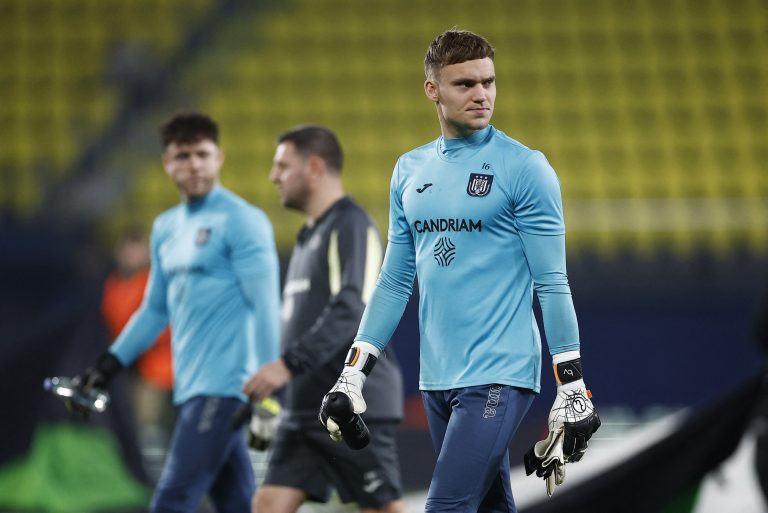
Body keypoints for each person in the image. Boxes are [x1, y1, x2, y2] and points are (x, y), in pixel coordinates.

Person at [318, 29, 601, 512]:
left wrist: (572, 383)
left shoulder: (525, 169)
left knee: (446, 505)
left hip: (500, 372)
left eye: (488, 82)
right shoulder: (409, 170)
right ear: (433, 90)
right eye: (465, 84)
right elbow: (393, 280)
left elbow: (552, 282)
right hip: (438, 376)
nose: (481, 94)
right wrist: (352, 374)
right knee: (489, 506)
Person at [71, 112, 281, 513]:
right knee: (234, 502)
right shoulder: (166, 228)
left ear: (219, 157)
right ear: (167, 163)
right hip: (189, 387)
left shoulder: (243, 221)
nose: (194, 164)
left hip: (226, 388)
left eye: (202, 154)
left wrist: (267, 383)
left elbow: (265, 303)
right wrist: (106, 368)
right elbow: (152, 311)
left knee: (172, 499)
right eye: (183, 156)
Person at [243, 125, 406, 513]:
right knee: (265, 505)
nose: (273, 176)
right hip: (302, 412)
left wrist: (288, 364)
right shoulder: (307, 237)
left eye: (282, 166)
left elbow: (354, 308)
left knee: (383, 508)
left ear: (314, 167)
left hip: (349, 406)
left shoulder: (351, 224)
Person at [101, 230, 173, 445]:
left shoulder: (154, 284)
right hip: (125, 365)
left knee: (146, 425)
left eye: (139, 250)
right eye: (129, 250)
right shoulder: (112, 283)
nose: (134, 256)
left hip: (155, 366)